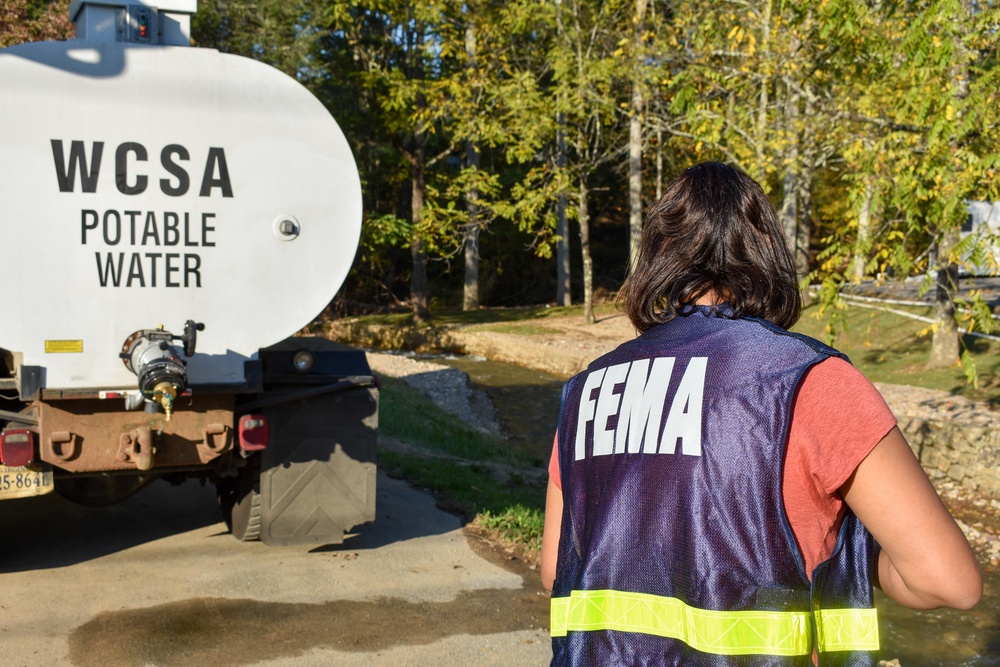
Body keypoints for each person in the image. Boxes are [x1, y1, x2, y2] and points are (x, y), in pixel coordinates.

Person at [540, 162, 982, 666]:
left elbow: (556, 567)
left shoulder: (586, 391)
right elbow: (949, 582)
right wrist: (847, 551)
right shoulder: (810, 381)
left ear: (659, 253)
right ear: (767, 251)